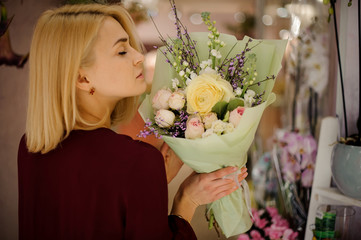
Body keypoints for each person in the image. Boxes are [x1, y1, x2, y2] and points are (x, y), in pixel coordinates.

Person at [17, 3, 248, 240]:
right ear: (82, 78)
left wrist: (149, 186)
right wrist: (186, 201)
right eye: (121, 51)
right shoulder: (138, 162)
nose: (139, 56)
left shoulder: (31, 148)